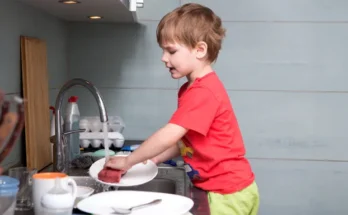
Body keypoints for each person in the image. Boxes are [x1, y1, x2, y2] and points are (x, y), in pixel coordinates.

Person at [105, 3, 260, 215]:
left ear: (199, 49)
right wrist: (155, 158)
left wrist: (129, 160)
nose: (164, 58)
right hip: (234, 189)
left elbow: (171, 133)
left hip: (225, 193)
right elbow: (187, 141)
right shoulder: (194, 88)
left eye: (171, 51)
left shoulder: (203, 91)